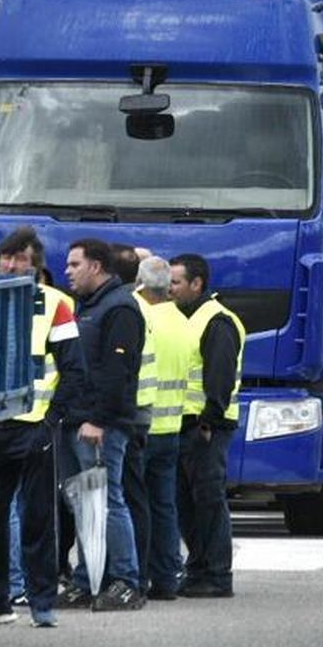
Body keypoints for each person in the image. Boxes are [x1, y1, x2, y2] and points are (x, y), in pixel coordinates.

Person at [0, 226, 84, 629]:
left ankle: (42, 602)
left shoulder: (57, 304)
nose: (11, 264)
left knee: (37, 518)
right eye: (7, 257)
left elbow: (74, 369)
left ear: (36, 266)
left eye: (20, 258)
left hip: (34, 426)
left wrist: (52, 419)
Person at [55, 237, 146, 611]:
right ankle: (87, 578)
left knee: (108, 501)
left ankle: (126, 581)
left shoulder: (120, 308)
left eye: (75, 264)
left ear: (96, 266)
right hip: (77, 419)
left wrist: (98, 420)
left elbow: (117, 371)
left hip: (100, 425)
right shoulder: (87, 306)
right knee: (83, 502)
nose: (67, 271)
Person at [170, 253, 244, 598]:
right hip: (188, 424)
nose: (170, 288)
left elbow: (220, 376)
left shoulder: (216, 321)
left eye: (176, 282)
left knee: (209, 501)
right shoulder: (188, 317)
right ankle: (198, 569)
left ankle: (217, 575)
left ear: (196, 284)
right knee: (188, 502)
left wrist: (208, 422)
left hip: (207, 426)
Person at [134, 256, 189, 600]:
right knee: (164, 506)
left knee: (134, 504)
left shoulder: (139, 315)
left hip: (142, 425)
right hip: (172, 426)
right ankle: (168, 577)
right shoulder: (180, 319)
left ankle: (136, 573)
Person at [108, 242, 155, 595]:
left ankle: (130, 574)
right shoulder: (140, 306)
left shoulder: (122, 310)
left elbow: (120, 369)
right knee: (135, 498)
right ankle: (139, 572)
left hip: (126, 416)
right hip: (141, 415)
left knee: (123, 498)